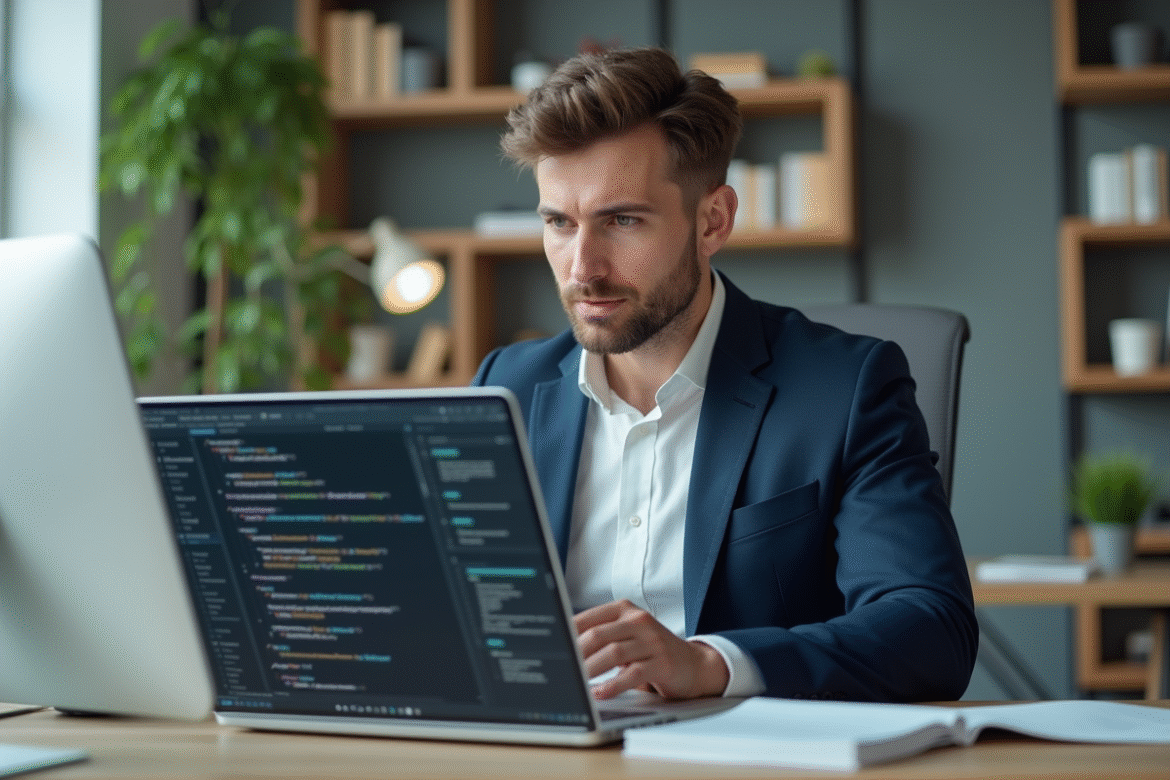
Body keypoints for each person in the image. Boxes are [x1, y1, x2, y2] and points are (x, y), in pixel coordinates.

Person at [472, 47, 977, 703]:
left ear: (713, 221)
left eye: (622, 220)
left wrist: (710, 664)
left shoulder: (848, 388)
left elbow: (931, 629)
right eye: (558, 224)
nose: (581, 269)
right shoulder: (505, 386)